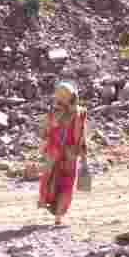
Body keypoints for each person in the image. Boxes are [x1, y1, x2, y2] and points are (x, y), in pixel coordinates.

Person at [37, 81, 88, 227]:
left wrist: (42, 149)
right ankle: (59, 217)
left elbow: (44, 133)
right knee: (66, 183)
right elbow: (80, 135)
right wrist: (83, 154)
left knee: (52, 180)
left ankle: (48, 203)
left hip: (52, 152)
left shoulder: (52, 112)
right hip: (69, 155)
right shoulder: (79, 113)